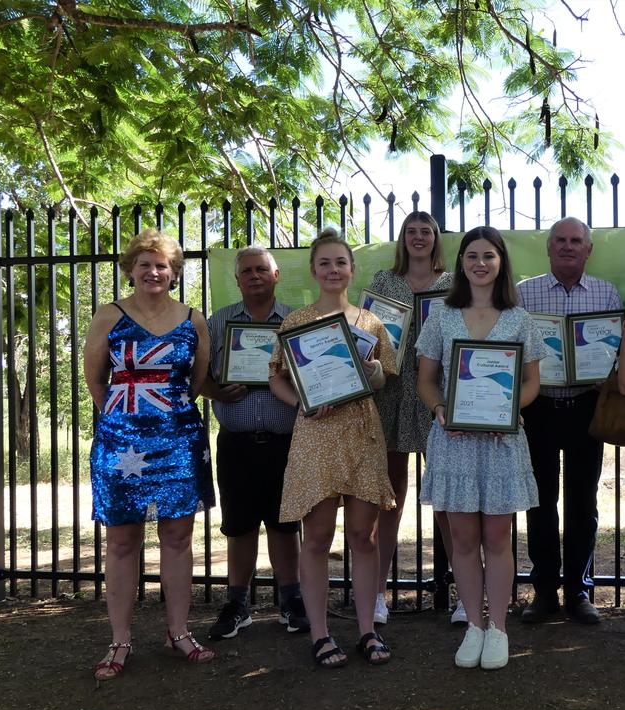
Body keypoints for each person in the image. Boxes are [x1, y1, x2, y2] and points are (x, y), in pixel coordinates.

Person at [84, 229, 216, 680]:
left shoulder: (194, 319)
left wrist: (164, 413)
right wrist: (123, 419)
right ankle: (119, 640)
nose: (154, 272)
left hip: (178, 441)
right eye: (145, 264)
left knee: (177, 539)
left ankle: (178, 632)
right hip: (120, 442)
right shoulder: (109, 315)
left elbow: (198, 381)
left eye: (162, 265)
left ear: (174, 272)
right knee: (122, 541)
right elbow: (96, 378)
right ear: (131, 270)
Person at [268, 229, 397, 667]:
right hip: (317, 435)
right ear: (313, 270)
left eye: (340, 262)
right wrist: (302, 403)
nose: (333, 270)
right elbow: (277, 378)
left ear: (351, 269)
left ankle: (366, 630)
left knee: (365, 537)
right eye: (324, 263)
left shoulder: (370, 322)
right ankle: (321, 634)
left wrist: (374, 368)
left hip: (361, 433)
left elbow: (383, 380)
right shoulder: (295, 323)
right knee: (318, 537)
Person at [416, 226, 543, 669]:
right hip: (454, 441)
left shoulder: (520, 319)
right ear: (462, 263)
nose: (480, 263)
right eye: (472, 255)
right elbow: (425, 380)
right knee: (464, 540)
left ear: (501, 262)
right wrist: (438, 409)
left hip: (501, 442)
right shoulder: (442, 317)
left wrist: (509, 411)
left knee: (497, 537)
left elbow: (530, 383)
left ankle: (499, 629)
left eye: (488, 256)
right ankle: (473, 624)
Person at [516, 217, 622, 625]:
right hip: (537, 408)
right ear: (548, 247)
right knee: (539, 502)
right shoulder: (524, 294)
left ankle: (579, 590)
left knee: (583, 503)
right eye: (559, 240)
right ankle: (544, 592)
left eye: (576, 240)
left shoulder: (606, 292)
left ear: (588, 249)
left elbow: (615, 349)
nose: (567, 246)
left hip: (584, 408)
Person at [202, 246, 307, 640]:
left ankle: (291, 602)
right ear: (237, 279)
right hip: (236, 443)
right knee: (239, 527)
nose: (254, 276)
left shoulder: (295, 322)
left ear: (276, 274)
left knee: (284, 525)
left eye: (261, 269)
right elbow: (199, 376)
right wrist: (217, 392)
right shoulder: (219, 322)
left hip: (285, 442)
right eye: (246, 271)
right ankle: (237, 603)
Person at [366, 212, 463, 626]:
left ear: (436, 239)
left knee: (446, 500)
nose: (419, 237)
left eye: (426, 231)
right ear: (402, 238)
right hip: (389, 391)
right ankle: (376, 595)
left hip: (436, 390)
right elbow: (366, 333)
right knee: (388, 499)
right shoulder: (383, 282)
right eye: (412, 231)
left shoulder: (452, 283)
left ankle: (465, 594)